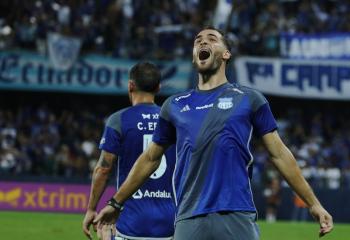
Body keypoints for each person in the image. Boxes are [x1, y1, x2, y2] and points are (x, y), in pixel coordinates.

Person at [94, 27, 333, 239]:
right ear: (193, 57)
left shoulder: (249, 99)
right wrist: (116, 203)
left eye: (211, 39)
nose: (202, 42)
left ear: (226, 54)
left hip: (237, 213)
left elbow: (280, 154)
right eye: (198, 40)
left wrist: (314, 204)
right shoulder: (175, 105)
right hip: (189, 217)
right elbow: (150, 159)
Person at [82, 62, 176, 240]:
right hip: (169, 223)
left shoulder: (119, 120)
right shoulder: (172, 122)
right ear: (158, 87)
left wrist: (92, 208)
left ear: (130, 85)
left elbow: (103, 169)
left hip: (131, 222)